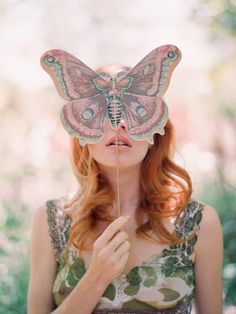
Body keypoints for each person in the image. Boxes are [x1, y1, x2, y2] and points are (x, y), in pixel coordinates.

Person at [28, 60, 223, 314]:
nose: (118, 123)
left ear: (154, 130)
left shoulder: (198, 223)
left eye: (134, 110)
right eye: (102, 111)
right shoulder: (51, 220)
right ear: (82, 132)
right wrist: (97, 277)